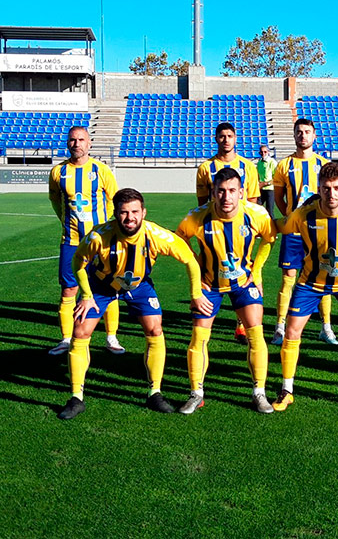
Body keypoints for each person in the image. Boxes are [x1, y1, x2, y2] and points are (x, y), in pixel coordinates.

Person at [57, 188, 213, 420]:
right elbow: (78, 262)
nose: (130, 218)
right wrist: (87, 294)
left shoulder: (156, 235)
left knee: (155, 329)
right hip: (101, 285)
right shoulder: (99, 236)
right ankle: (76, 398)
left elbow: (190, 260)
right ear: (115, 213)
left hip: (139, 286)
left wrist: (196, 293)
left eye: (135, 212)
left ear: (144, 212)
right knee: (80, 331)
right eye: (124, 212)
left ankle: (154, 392)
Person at [271, 162, 338, 412]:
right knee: (292, 333)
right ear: (319, 188)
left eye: (337, 188)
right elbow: (277, 226)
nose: (332, 194)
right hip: (311, 284)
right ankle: (287, 390)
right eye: (327, 188)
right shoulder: (303, 215)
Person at [176, 168, 277, 414]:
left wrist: (258, 270)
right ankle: (196, 393)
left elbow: (270, 238)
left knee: (255, 334)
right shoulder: (197, 218)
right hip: (210, 284)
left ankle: (259, 392)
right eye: (221, 191)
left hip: (243, 283)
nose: (226, 197)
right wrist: (197, 277)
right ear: (213, 193)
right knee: (199, 337)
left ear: (241, 192)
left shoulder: (256, 214)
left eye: (232, 191)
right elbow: (179, 241)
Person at [48, 126, 123, 356]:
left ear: (89, 143)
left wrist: (104, 228)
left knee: (109, 287)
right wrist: (65, 221)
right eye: (72, 140)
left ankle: (111, 337)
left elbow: (114, 200)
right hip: (71, 241)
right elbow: (55, 199)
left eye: (81, 139)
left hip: (100, 242)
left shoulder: (101, 170)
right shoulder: (58, 172)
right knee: (69, 289)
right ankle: (65, 339)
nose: (76, 144)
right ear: (67, 143)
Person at [271, 118, 336, 346]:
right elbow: (279, 197)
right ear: (294, 135)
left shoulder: (324, 164)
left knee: (324, 277)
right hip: (294, 232)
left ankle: (326, 327)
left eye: (307, 132)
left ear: (314, 135)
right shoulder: (284, 165)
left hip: (320, 230)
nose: (303, 136)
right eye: (299, 132)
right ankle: (280, 326)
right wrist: (291, 216)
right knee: (289, 278)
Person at [195, 122, 260, 344]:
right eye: (221, 136)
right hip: (214, 228)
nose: (226, 140)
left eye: (229, 135)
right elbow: (202, 204)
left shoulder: (248, 167)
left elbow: (252, 202)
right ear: (216, 139)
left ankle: (240, 324)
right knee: (214, 272)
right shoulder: (205, 168)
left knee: (242, 273)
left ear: (235, 138)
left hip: (241, 229)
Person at [257, 144, 278, 217]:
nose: (263, 153)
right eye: (262, 152)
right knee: (257, 209)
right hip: (261, 189)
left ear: (268, 152)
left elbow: (276, 178)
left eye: (265, 152)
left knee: (269, 211)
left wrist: (265, 183)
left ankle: (272, 227)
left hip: (270, 189)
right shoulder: (259, 163)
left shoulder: (272, 162)